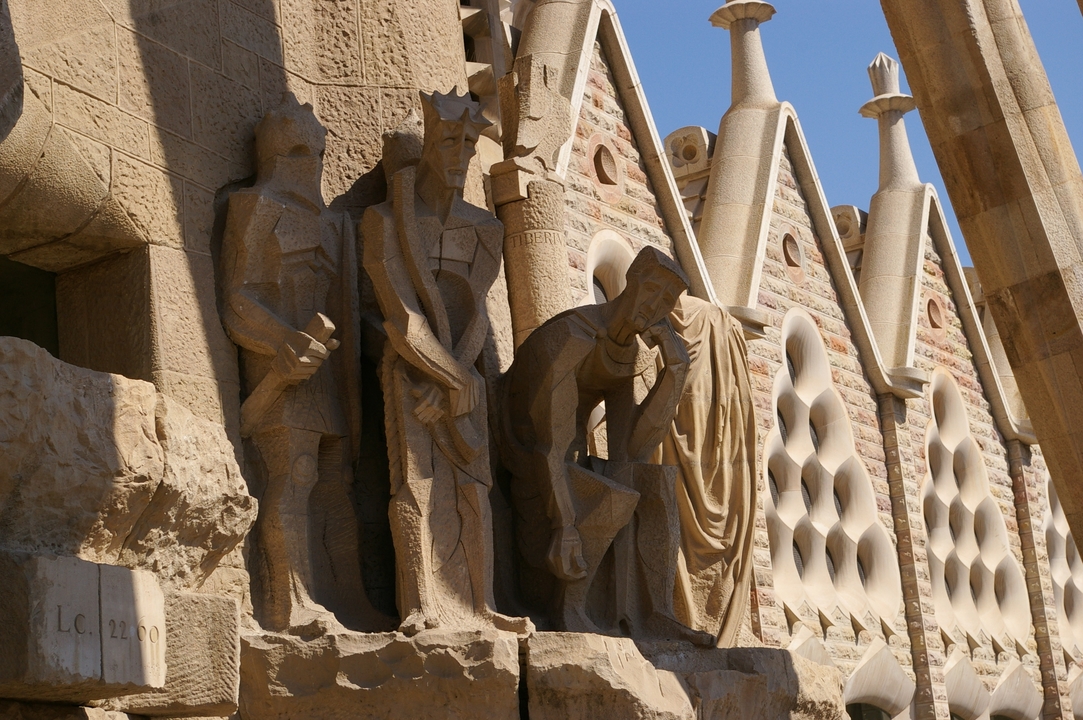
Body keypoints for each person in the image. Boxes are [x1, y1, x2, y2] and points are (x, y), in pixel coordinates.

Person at [362, 90, 531, 636]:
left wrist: (459, 381)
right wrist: (448, 381)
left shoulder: (486, 229)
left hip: (463, 375)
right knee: (417, 484)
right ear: (429, 144)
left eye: (469, 144)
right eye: (450, 141)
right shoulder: (385, 221)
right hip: (413, 374)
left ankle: (481, 604)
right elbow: (404, 318)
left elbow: (476, 311)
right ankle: (422, 603)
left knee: (474, 488)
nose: (460, 154)